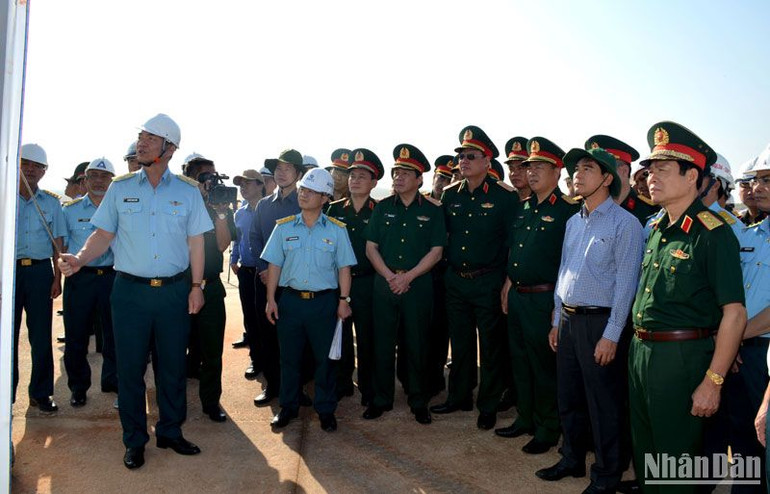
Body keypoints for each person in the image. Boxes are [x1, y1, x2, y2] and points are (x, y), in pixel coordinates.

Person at [58, 114, 212, 470]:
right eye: (140, 137)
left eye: (150, 138)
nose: (141, 143)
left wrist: (196, 286)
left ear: (169, 148)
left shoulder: (187, 192)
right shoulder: (121, 187)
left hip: (174, 293)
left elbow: (196, 244)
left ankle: (171, 432)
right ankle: (134, 439)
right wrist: (80, 260)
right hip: (129, 293)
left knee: (172, 367)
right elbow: (103, 234)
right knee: (129, 370)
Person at [628, 122, 746, 492]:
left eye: (662, 170)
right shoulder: (659, 227)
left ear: (692, 175)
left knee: (676, 467)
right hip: (641, 352)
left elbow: (734, 313)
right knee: (647, 456)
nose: (651, 178)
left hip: (681, 359)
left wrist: (713, 381)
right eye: (650, 171)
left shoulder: (713, 232)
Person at [535, 147, 643, 494]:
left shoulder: (625, 223)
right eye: (575, 169)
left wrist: (612, 335)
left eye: (587, 168)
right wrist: (556, 318)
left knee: (604, 403)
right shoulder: (572, 221)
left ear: (607, 178)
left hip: (600, 324)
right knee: (568, 396)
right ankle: (571, 458)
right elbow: (564, 271)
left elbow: (627, 285)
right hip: (567, 320)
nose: (576, 175)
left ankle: (607, 475)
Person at [496, 137, 580, 454]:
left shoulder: (567, 212)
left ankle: (548, 428)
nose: (531, 173)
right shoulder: (524, 207)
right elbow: (516, 253)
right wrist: (507, 284)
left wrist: (557, 308)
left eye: (540, 167)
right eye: (529, 167)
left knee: (544, 366)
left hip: (545, 299)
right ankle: (525, 418)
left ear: (557, 172)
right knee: (520, 362)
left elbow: (568, 262)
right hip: (518, 295)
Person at [431, 125, 517, 431]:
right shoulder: (451, 195)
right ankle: (459, 396)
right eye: (461, 156)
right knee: (461, 342)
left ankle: (489, 404)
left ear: (487, 162)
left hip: (488, 280)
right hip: (456, 279)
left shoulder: (505, 197)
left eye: (471, 156)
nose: (463, 161)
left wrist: (506, 281)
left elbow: (511, 243)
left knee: (491, 346)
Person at [262, 168, 356, 432]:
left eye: (311, 191)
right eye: (303, 189)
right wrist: (271, 299)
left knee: (325, 361)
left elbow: (344, 268)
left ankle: (325, 409)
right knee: (289, 359)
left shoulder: (337, 230)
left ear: (325, 198)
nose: (304, 194)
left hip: (324, 303)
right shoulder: (284, 227)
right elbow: (274, 266)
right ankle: (288, 407)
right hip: (290, 302)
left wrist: (343, 299)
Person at [364, 144, 446, 424]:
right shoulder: (383, 208)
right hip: (384, 284)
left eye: (406, 173)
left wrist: (408, 277)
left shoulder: (433, 211)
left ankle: (418, 400)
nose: (398, 177)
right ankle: (380, 399)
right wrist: (390, 277)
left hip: (417, 286)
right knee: (382, 344)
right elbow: (370, 247)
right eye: (396, 172)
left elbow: (436, 252)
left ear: (420, 179)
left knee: (417, 343)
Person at [325, 149, 384, 404]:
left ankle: (369, 387)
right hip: (340, 283)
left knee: (369, 336)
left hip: (369, 282)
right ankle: (343, 382)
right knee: (342, 334)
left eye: (362, 176)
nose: (355, 180)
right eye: (352, 176)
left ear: (374, 183)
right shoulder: (334, 210)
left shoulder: (381, 211)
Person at [182, 154, 236, 423]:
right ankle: (174, 403)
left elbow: (222, 245)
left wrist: (222, 213)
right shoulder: (179, 203)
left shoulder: (220, 206)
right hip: (180, 287)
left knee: (212, 350)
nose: (209, 181)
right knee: (174, 348)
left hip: (211, 288)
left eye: (213, 176)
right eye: (204, 177)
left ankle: (211, 402)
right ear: (190, 178)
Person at [61, 158, 119, 407]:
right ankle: (78, 387)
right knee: (76, 336)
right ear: (84, 179)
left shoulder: (119, 209)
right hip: (80, 279)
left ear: (111, 181)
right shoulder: (69, 210)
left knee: (115, 334)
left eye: (104, 177)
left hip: (112, 278)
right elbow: (62, 247)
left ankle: (113, 381)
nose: (98, 181)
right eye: (93, 176)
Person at [249, 149, 304, 406]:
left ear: (298, 174)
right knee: (268, 336)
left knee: (294, 339)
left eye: (288, 169)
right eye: (278, 169)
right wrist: (264, 269)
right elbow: (255, 238)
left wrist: (283, 274)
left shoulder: (304, 204)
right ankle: (273, 385)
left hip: (293, 284)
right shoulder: (263, 205)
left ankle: (296, 388)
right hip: (264, 280)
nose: (281, 173)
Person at [15, 143, 66, 413]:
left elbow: (58, 243)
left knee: (40, 335)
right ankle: (6, 394)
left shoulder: (50, 202)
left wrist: (57, 279)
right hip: (10, 273)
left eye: (37, 166)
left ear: (44, 172)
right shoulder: (5, 196)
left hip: (39, 272)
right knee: (6, 337)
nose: (31, 170)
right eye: (26, 164)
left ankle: (41, 393)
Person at [230, 170, 266, 370]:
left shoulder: (269, 209)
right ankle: (256, 359)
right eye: (241, 184)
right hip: (246, 271)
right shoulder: (240, 213)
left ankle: (269, 360)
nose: (243, 188)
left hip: (266, 273)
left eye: (248, 183)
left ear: (260, 185)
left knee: (265, 319)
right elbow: (238, 239)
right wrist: (234, 259)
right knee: (250, 317)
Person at [585, 135, 660, 226]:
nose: (598, 174)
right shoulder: (582, 208)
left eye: (604, 168)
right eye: (592, 168)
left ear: (624, 171)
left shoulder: (650, 211)